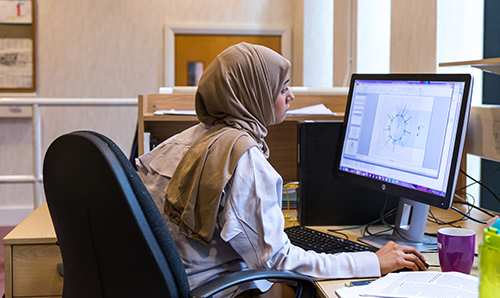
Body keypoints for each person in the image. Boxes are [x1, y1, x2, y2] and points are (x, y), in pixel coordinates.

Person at [137, 42, 427, 298]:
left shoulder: (180, 141)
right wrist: (372, 262)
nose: (291, 97)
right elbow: (277, 262)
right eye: (282, 88)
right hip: (214, 289)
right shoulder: (240, 157)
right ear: (253, 94)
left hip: (162, 282)